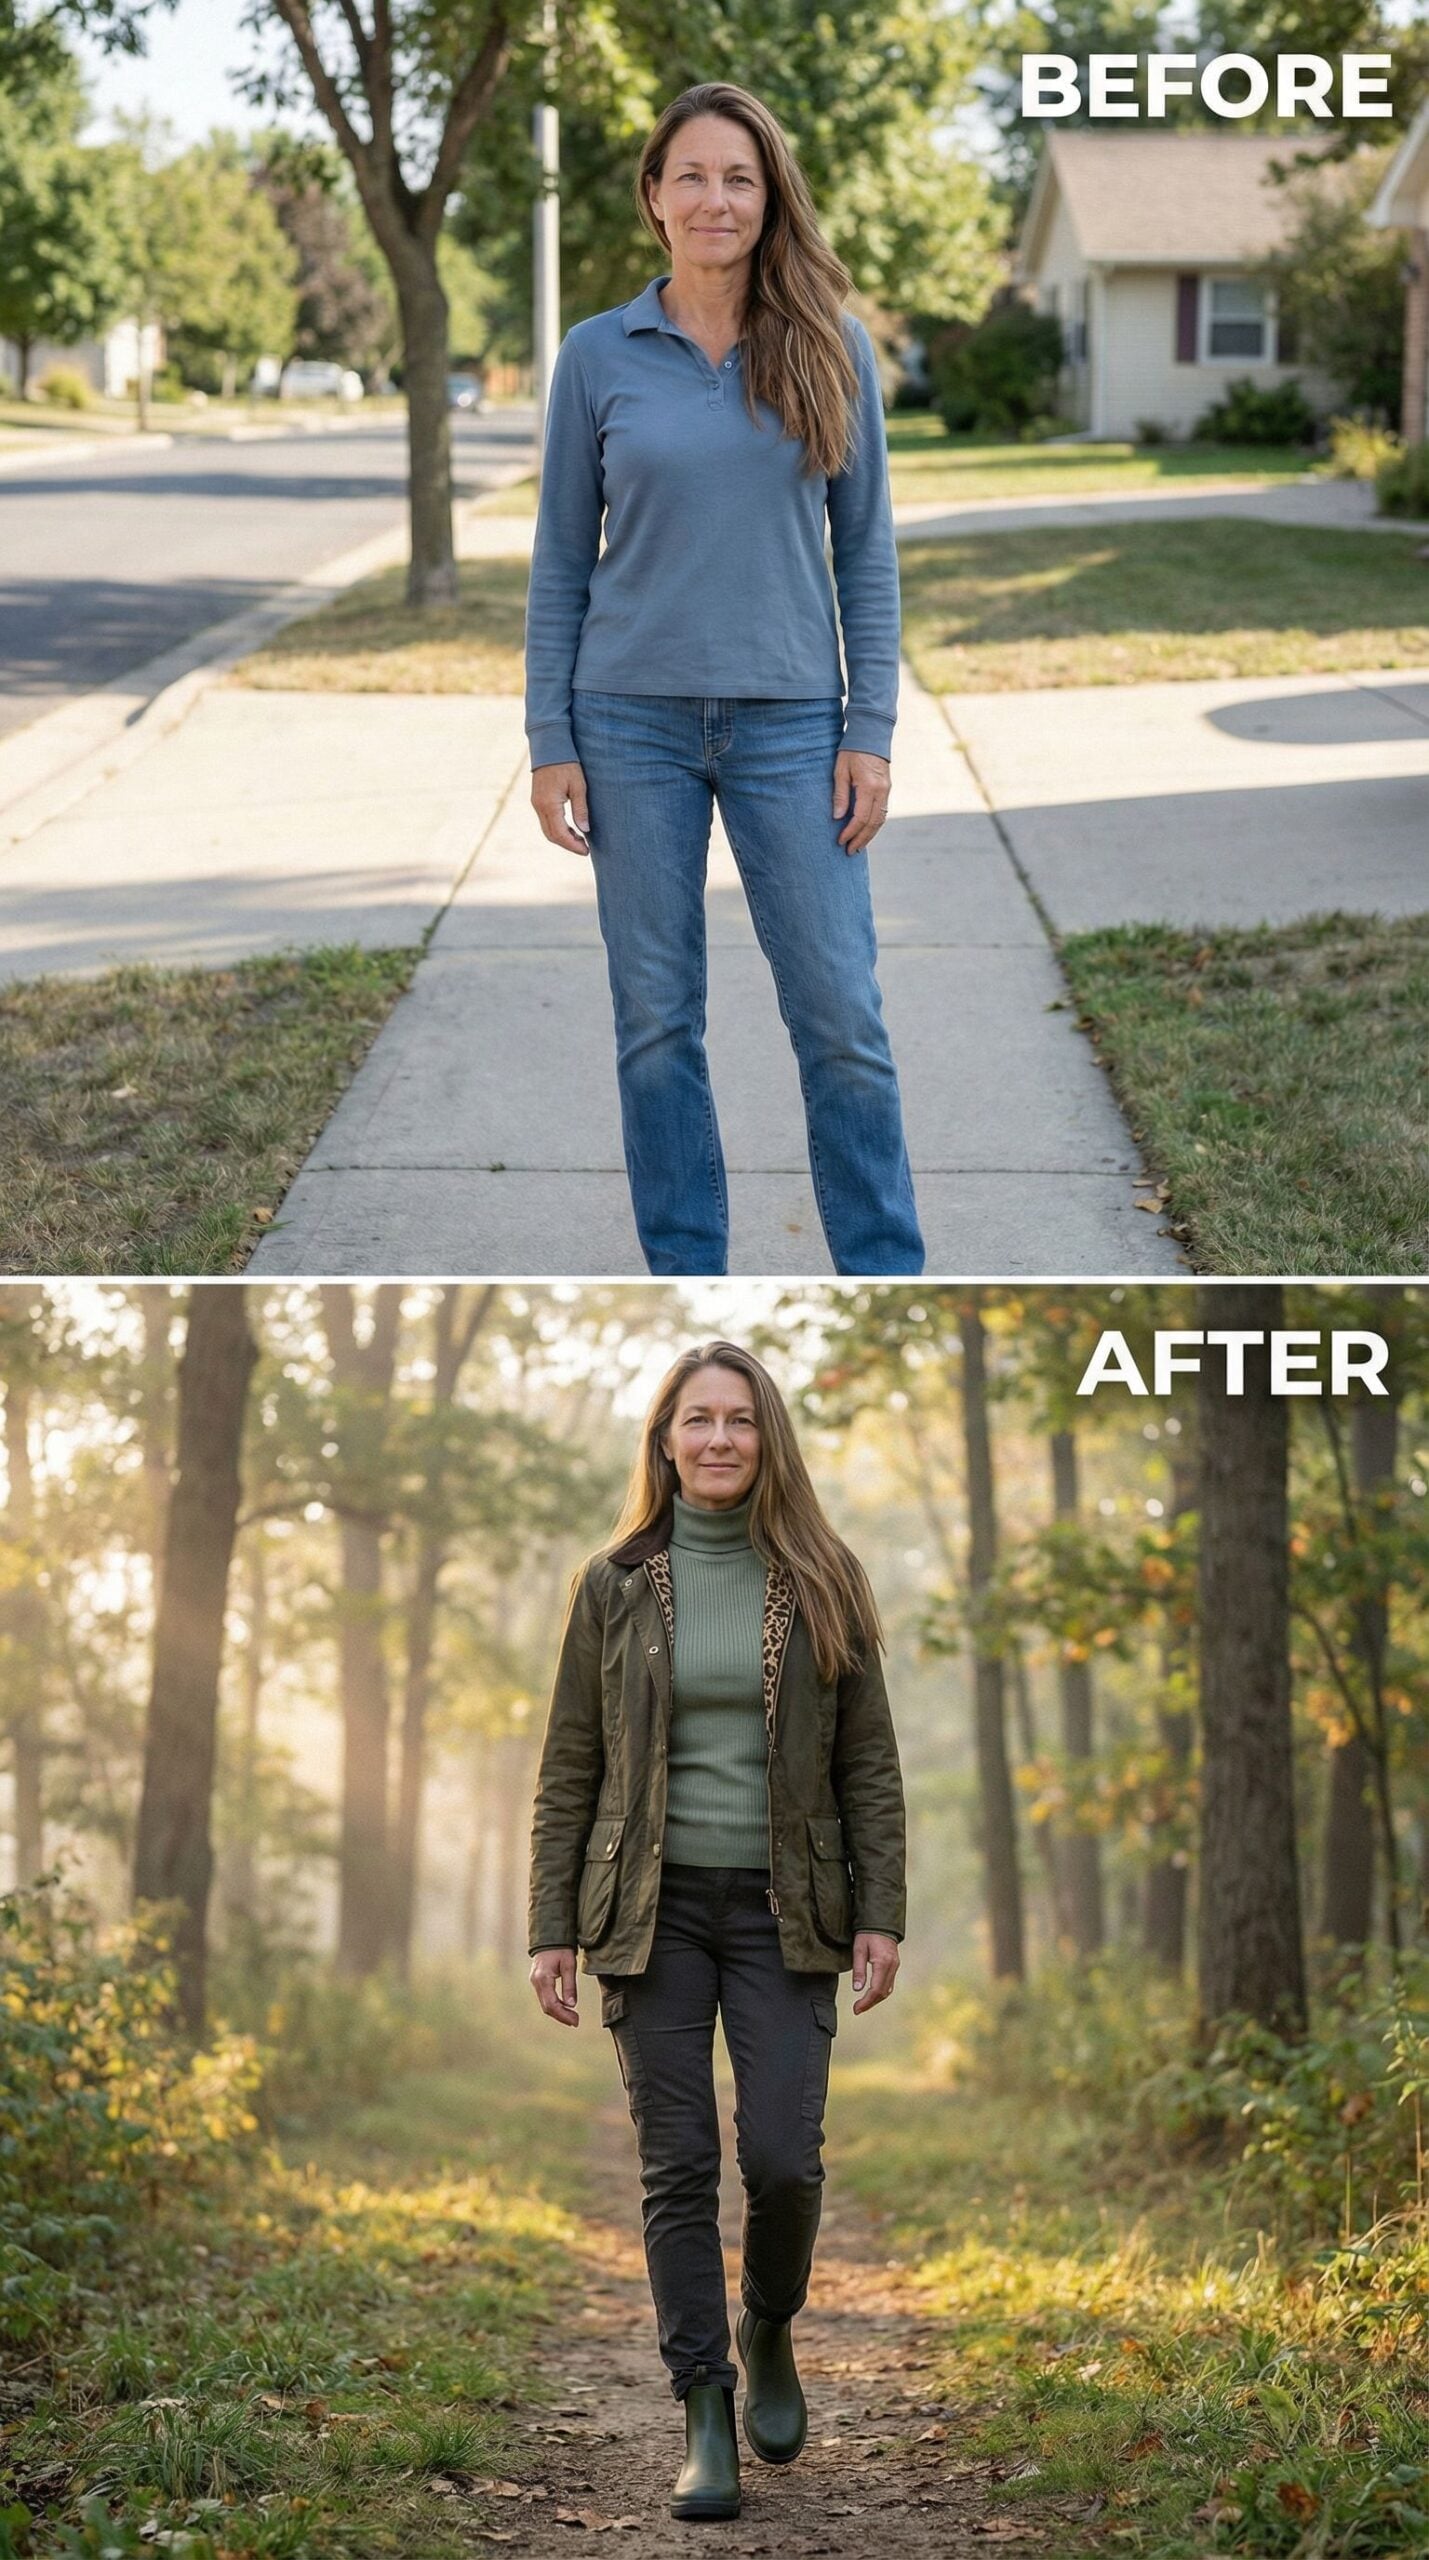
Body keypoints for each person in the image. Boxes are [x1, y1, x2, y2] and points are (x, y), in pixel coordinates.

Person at [524, 81, 924, 1281]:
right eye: (691, 176)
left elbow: (865, 550)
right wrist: (551, 735)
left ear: (768, 198)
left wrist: (873, 726)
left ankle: (886, 1266)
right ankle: (686, 1270)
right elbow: (559, 560)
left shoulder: (828, 342)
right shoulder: (596, 355)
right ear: (653, 197)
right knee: (656, 1026)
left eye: (738, 178)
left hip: (794, 726)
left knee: (840, 1018)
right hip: (628, 722)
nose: (715, 198)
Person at [527, 1341, 906, 2523]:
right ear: (665, 1438)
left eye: (740, 1419)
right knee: (677, 2163)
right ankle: (704, 2408)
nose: (720, 1439)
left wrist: (880, 1910)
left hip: (787, 1909)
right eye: (698, 1419)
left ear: (768, 1437)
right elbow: (569, 1766)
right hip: (650, 1912)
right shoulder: (615, 1581)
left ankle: (770, 2321)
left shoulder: (825, 1576)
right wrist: (551, 1926)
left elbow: (869, 1766)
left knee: (785, 2158)